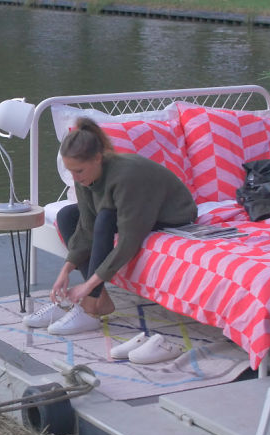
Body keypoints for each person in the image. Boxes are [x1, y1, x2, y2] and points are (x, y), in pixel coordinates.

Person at [23, 117, 197, 338]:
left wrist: (88, 286)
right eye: (71, 171)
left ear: (97, 158)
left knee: (105, 218)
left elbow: (128, 241)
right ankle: (100, 299)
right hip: (122, 209)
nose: (75, 177)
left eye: (79, 171)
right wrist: (65, 271)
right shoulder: (84, 176)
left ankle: (91, 305)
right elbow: (86, 228)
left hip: (173, 213)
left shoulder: (126, 176)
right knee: (67, 215)